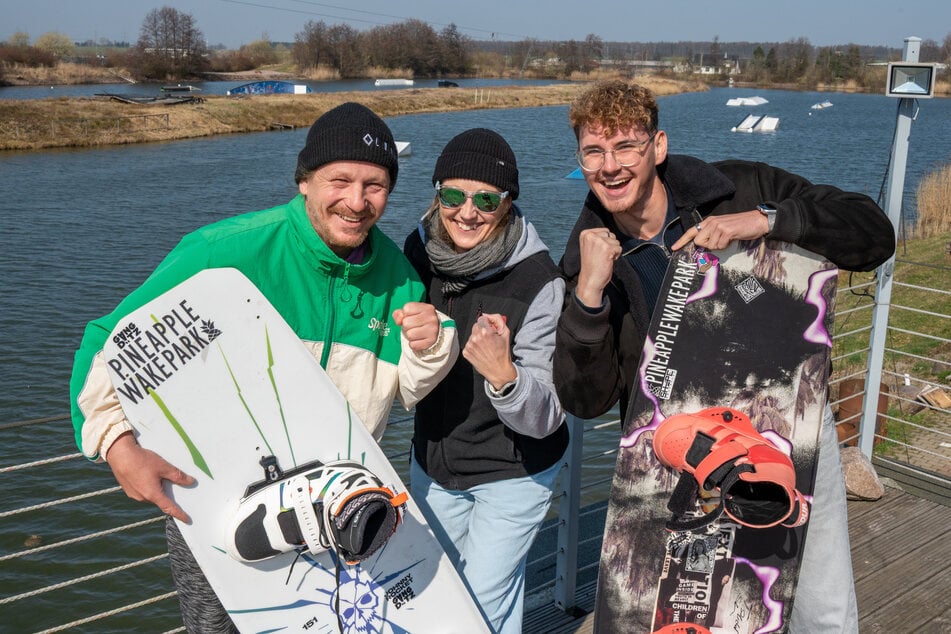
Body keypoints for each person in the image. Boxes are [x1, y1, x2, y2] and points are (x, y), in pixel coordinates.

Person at [69, 102, 459, 633]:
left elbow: (412, 387)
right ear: (304, 182)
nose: (356, 201)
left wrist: (435, 343)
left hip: (335, 507)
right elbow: (106, 346)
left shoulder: (398, 275)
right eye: (339, 180)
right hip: (215, 503)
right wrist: (116, 445)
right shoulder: (223, 252)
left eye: (376, 185)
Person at [553, 80, 895, 633]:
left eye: (626, 147)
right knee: (702, 610)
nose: (609, 166)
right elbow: (585, 398)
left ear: (658, 147)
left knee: (820, 602)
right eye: (594, 151)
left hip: (789, 429)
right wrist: (590, 296)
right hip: (685, 458)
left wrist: (764, 220)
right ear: (580, 159)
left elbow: (874, 232)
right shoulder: (586, 261)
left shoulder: (737, 187)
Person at [402, 128, 569, 634]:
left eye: (485, 199)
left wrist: (505, 376)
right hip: (433, 464)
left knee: (478, 609)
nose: (466, 212)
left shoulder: (539, 281)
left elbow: (546, 417)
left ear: (507, 202)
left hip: (513, 473)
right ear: (436, 195)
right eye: (452, 195)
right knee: (431, 593)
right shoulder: (416, 251)